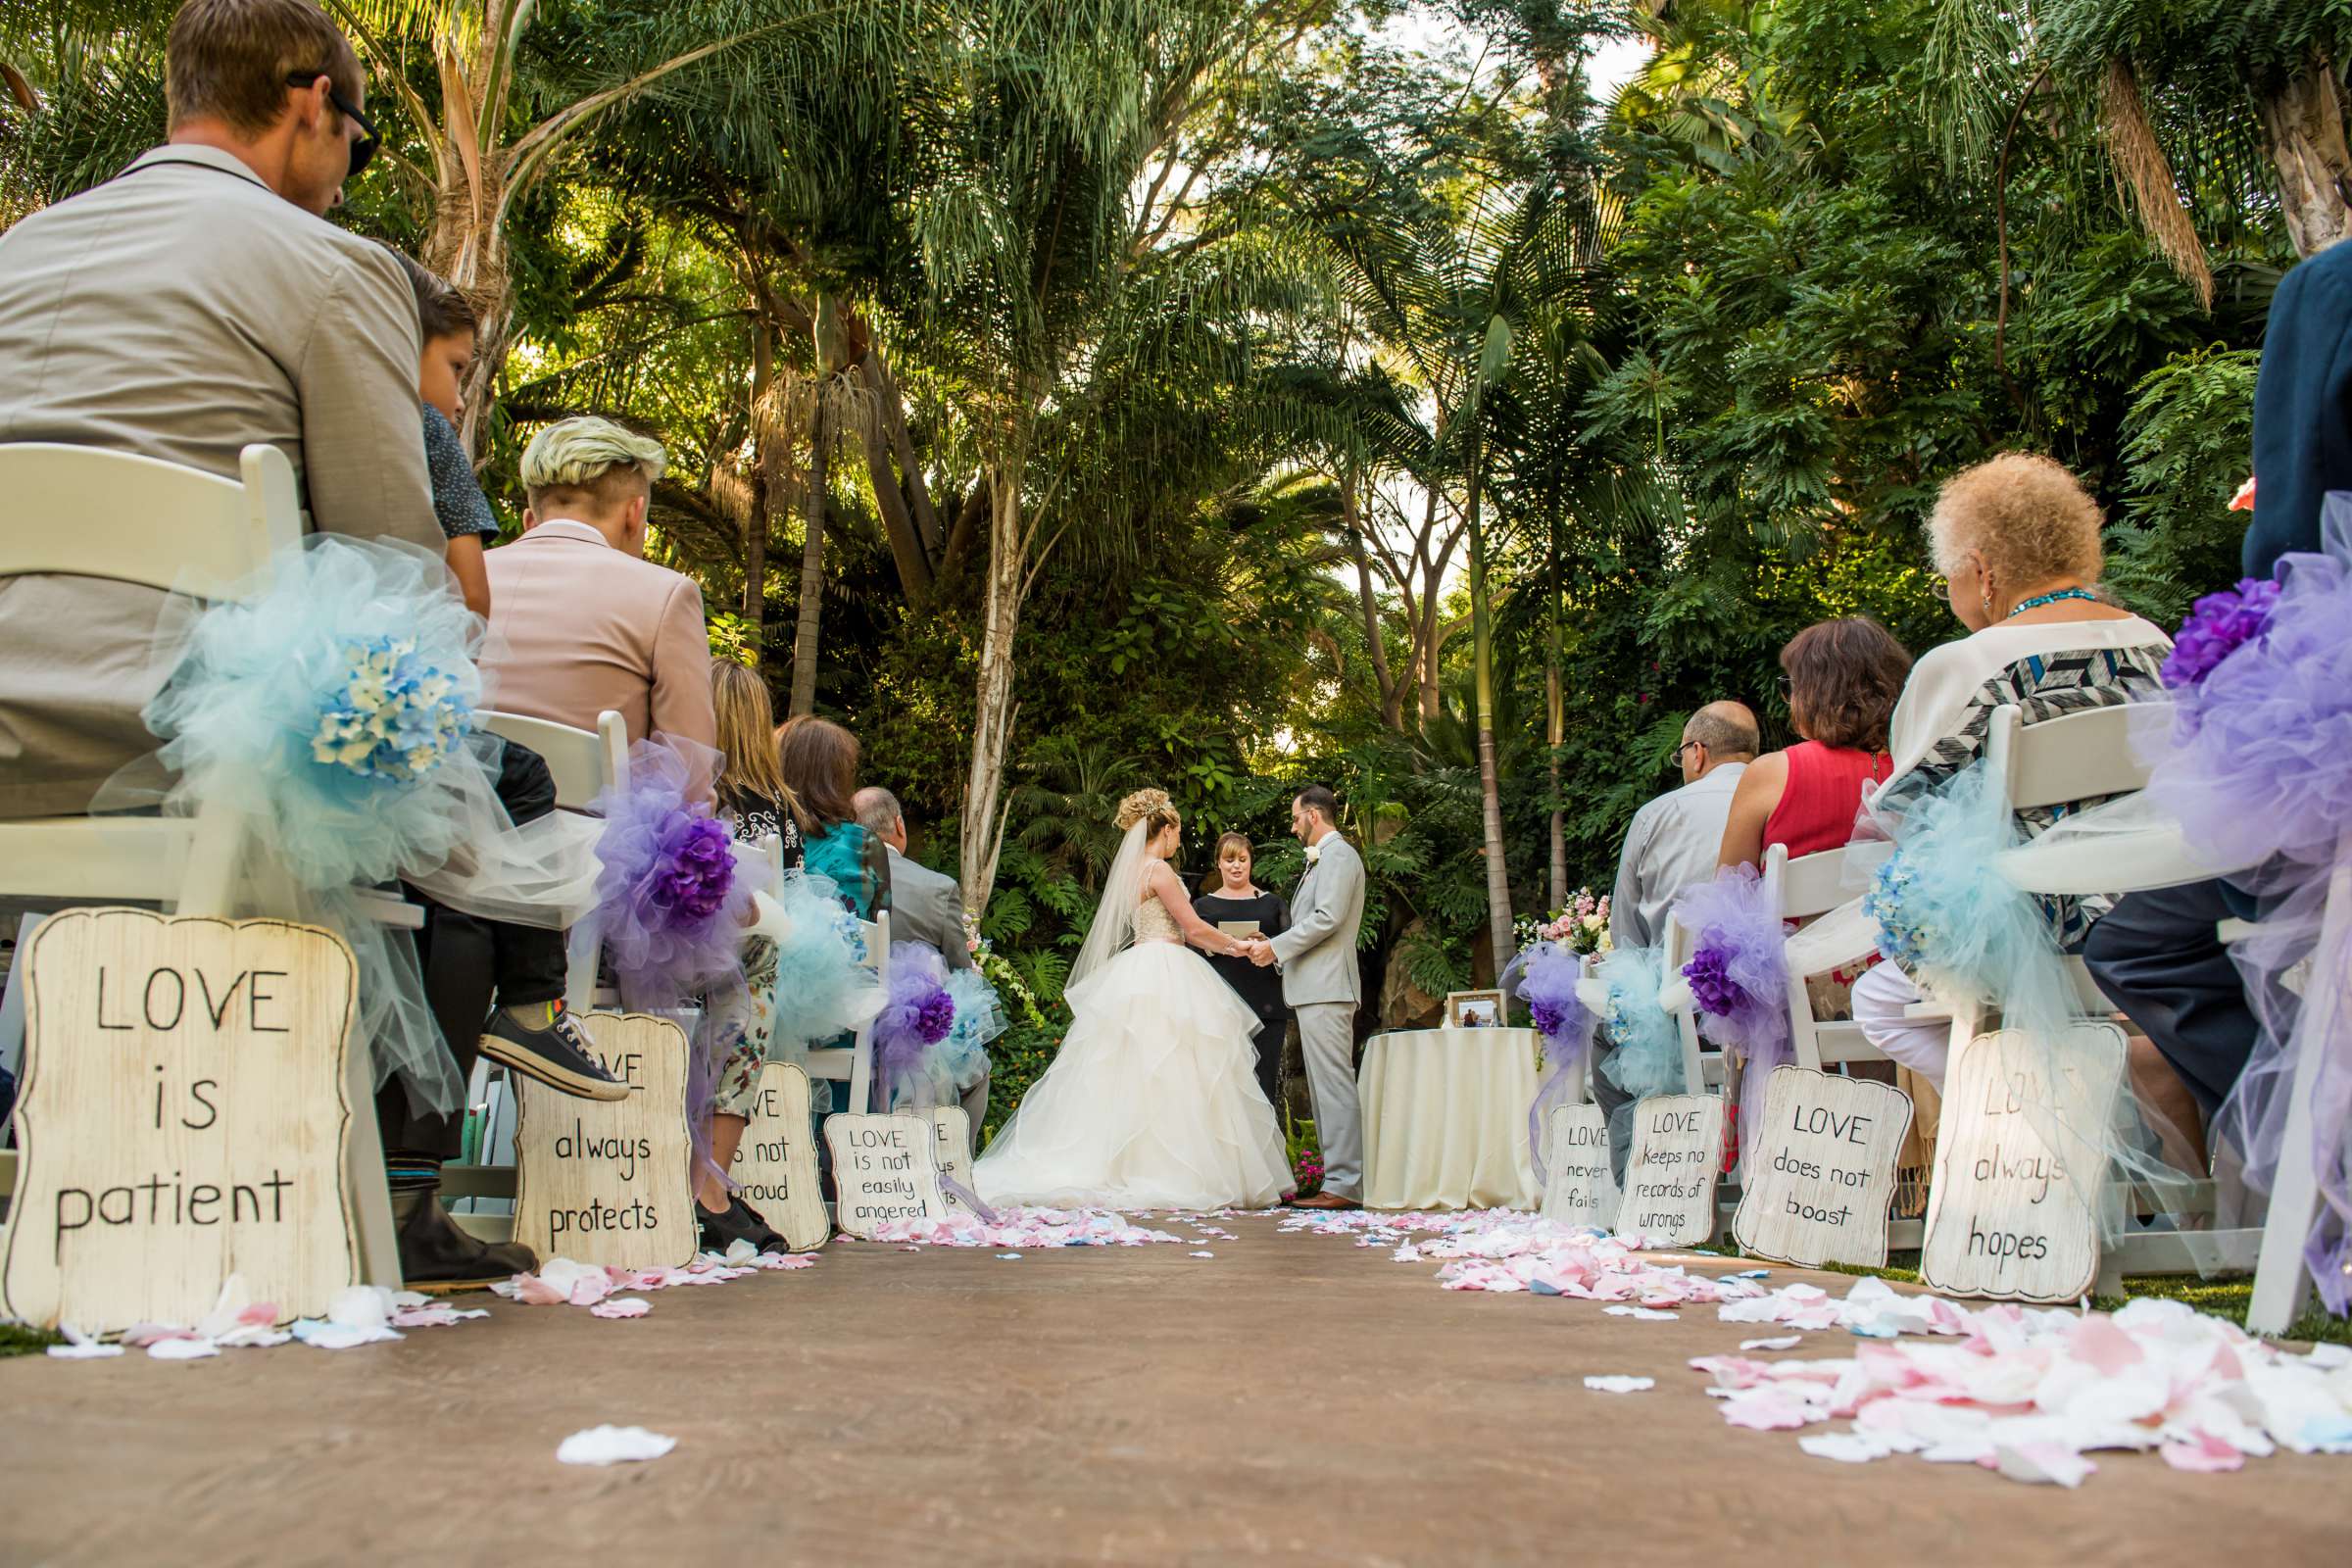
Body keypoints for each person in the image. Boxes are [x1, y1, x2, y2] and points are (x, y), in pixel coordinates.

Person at [0, 0, 441, 818]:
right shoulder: (337, 268)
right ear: (313, 104)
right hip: (177, 754)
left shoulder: (17, 250)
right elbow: (393, 570)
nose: (348, 184)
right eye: (361, 144)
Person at [1852, 454, 2175, 1101]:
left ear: (1982, 568)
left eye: (1951, 577)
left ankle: (2028, 1125)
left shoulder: (1964, 664)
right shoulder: (2158, 644)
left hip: (2038, 938)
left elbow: (1914, 823)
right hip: (2169, 918)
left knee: (1878, 1001)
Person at [974, 789, 1288, 1209]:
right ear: (1168, 828)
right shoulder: (1158, 870)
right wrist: (1239, 946)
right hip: (1166, 966)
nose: (1179, 840)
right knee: (1175, 1067)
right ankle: (1167, 1170)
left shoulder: (1132, 870)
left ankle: (1129, 1164)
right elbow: (1192, 929)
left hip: (1140, 964)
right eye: (1178, 832)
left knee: (1136, 1068)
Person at [479, 416, 716, 754]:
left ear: (530, 521)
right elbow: (688, 774)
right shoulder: (667, 595)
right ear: (634, 515)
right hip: (595, 809)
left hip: (450, 804)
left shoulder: (457, 579)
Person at [1592, 702, 1758, 1179]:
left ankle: (1642, 1189)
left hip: (1682, 1007)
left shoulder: (1656, 815)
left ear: (1698, 753)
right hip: (1772, 1001)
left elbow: (1629, 938)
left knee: (1607, 1036)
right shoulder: (1781, 799)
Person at [692, 662, 805, 1252]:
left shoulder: (676, 781)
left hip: (634, 955)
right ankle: (709, 1186)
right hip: (725, 968)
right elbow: (791, 889)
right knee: (760, 962)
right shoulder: (775, 806)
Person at [1242, 786, 1367, 1210]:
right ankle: (1339, 1180)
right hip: (1317, 989)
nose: (1293, 827)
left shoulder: (1338, 856)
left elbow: (1328, 918)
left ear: (1314, 816)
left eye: (1296, 818)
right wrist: (1274, 941)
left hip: (1329, 990)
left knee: (1334, 1086)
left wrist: (1275, 949)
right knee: (1325, 1087)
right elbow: (1315, 923)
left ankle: (1346, 1184)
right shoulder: (1324, 860)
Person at [852, 784, 991, 1141]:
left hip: (843, 1019)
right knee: (977, 1069)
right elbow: (961, 970)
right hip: (916, 1035)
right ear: (899, 824)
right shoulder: (937, 887)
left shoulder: (834, 876)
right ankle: (957, 1159)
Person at [1717, 619, 1908, 868]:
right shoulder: (1915, 769)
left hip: (1787, 909)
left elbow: (1728, 887)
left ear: (1816, 690)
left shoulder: (1772, 772)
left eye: (1792, 685)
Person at [386, 250, 495, 618]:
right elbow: (471, 600)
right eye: (456, 368)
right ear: (404, 346)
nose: (460, 401)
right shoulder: (427, 427)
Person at [1194, 832, 1293, 1113]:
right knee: (1223, 1088)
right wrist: (1214, 947)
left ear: (1251, 862)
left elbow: (1291, 948)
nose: (1236, 866)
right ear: (1218, 864)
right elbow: (1190, 953)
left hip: (1267, 1005)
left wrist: (1270, 947)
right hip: (1220, 1009)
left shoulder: (1274, 904)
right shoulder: (1202, 907)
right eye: (1229, 860)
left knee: (1264, 1087)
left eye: (1242, 859)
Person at [777, 716, 890, 921]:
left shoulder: (765, 829)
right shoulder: (863, 844)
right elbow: (880, 927)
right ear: (835, 777)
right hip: (851, 951)